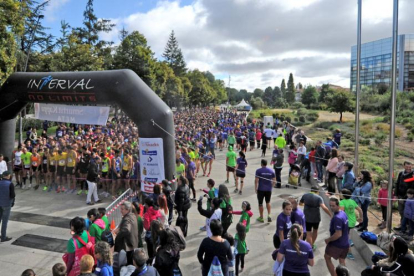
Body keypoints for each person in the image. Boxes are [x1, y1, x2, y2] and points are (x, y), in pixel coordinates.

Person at [324, 196, 349, 276]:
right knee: (342, 260)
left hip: (337, 244)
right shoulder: (343, 213)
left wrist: (329, 240)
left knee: (327, 257)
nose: (331, 207)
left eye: (333, 206)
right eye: (330, 205)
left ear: (338, 205)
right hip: (345, 243)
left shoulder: (337, 218)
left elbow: (338, 234)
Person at [339, 189, 363, 260]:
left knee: (346, 238)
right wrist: (361, 218)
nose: (339, 194)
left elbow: (341, 212)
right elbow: (360, 210)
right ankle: (349, 242)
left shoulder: (342, 202)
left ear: (343, 195)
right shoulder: (352, 201)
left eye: (340, 193)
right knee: (347, 235)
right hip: (353, 222)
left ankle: (349, 253)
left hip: (346, 222)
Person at [114, 201, 139, 265]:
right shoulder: (133, 215)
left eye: (122, 209)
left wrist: (118, 234)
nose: (120, 211)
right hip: (133, 243)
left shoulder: (127, 218)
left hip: (128, 245)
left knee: (129, 263)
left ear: (127, 210)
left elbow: (126, 230)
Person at [394, 161, 414, 229]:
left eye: (410, 166)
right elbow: (397, 183)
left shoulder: (413, 175)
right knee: (401, 211)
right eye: (407, 166)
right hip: (400, 195)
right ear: (404, 166)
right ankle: (402, 224)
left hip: (409, 198)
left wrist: (405, 197)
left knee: (408, 213)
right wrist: (396, 194)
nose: (408, 168)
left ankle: (408, 227)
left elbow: (412, 188)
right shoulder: (401, 173)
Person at [0, 171, 15, 242]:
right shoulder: (10, 184)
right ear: (8, 176)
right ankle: (3, 237)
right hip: (6, 204)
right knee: (4, 221)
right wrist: (12, 202)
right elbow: (12, 195)